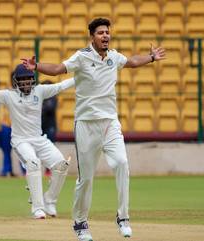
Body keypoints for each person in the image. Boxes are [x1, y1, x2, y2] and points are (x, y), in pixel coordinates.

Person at [22, 18, 166, 240]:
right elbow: (59, 68)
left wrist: (152, 58)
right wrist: (36, 66)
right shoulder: (81, 57)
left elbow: (133, 62)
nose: (105, 36)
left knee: (122, 163)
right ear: (92, 37)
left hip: (110, 123)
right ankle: (80, 222)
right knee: (86, 178)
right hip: (86, 125)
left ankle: (123, 217)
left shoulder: (114, 57)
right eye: (100, 33)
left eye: (107, 32)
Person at [0, 64, 74, 219]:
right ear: (16, 82)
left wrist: (79, 77)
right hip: (20, 140)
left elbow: (60, 86)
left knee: (61, 164)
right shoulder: (9, 95)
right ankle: (38, 208)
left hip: (39, 138)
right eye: (22, 80)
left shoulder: (40, 91)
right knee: (33, 163)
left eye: (28, 79)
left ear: (33, 79)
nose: (25, 83)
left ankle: (49, 200)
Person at [41, 80, 58, 176]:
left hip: (50, 126)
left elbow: (50, 108)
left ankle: (49, 168)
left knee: (50, 148)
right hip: (41, 126)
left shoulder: (53, 98)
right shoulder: (40, 97)